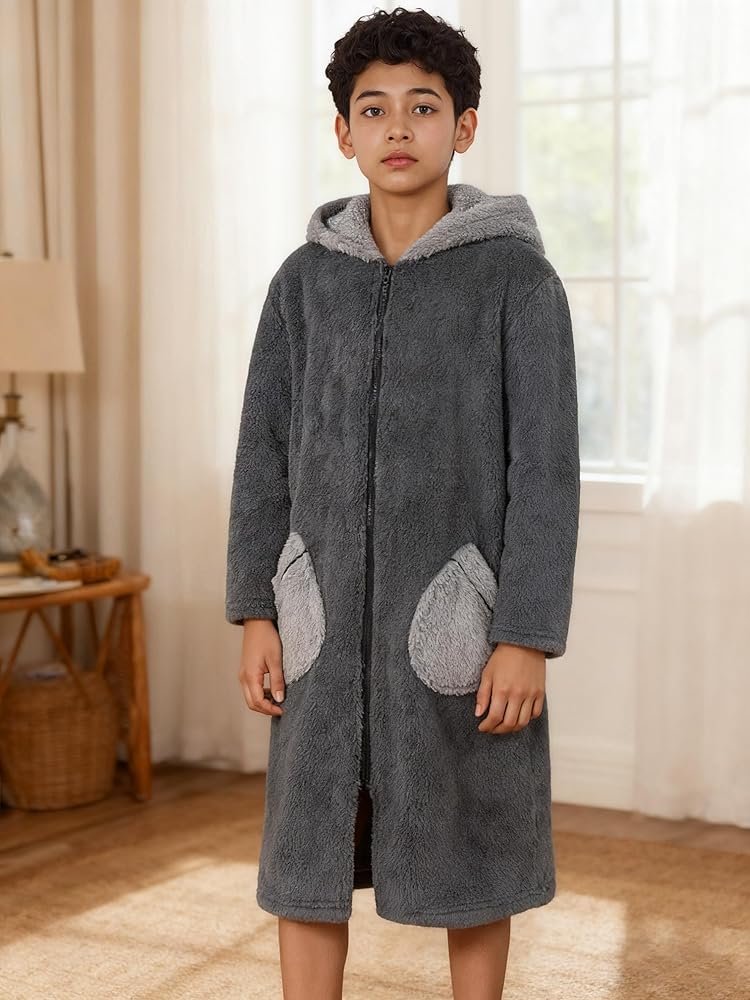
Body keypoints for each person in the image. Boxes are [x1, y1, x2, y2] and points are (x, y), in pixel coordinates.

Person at [225, 7, 580, 999]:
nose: (397, 128)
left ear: (464, 126)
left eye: (422, 108)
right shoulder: (302, 285)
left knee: (474, 846)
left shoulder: (516, 280)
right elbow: (261, 456)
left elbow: (545, 470)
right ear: (344, 132)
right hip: (321, 620)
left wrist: (525, 634)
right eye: (373, 109)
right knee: (308, 852)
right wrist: (257, 609)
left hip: (459, 617)